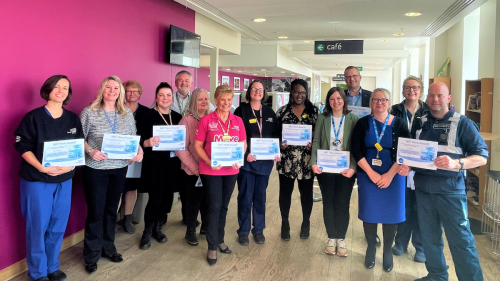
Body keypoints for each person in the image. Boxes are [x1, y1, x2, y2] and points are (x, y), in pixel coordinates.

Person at [401, 82, 488, 281]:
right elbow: (413, 153)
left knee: (461, 241)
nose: (435, 99)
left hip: (450, 192)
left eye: (440, 95)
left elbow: (482, 157)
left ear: (448, 98)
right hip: (423, 190)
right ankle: (437, 275)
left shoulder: (463, 122)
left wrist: (457, 163)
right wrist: (408, 165)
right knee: (429, 239)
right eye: (431, 95)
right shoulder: (420, 121)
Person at [14, 75, 83, 281]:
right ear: (48, 89)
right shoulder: (33, 117)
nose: (61, 91)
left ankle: (52, 266)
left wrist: (70, 165)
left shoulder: (72, 119)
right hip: (37, 180)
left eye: (65, 87)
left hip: (64, 179)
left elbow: (78, 148)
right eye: (57, 87)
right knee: (37, 226)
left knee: (57, 226)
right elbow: (22, 146)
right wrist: (42, 168)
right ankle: (37, 272)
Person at [80, 76, 143, 274]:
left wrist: (139, 151)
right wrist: (90, 150)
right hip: (95, 168)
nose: (112, 90)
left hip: (119, 168)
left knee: (111, 209)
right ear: (102, 89)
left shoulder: (125, 114)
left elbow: (133, 138)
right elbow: (78, 138)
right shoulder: (89, 112)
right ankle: (91, 254)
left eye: (116, 87)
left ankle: (109, 248)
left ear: (120, 92)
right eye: (108, 87)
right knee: (96, 211)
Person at [351, 88, 409, 272]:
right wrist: (371, 174)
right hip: (368, 175)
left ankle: (387, 251)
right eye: (376, 100)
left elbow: (405, 151)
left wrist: (389, 175)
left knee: (391, 214)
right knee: (370, 212)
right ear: (371, 102)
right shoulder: (362, 123)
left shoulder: (399, 123)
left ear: (389, 102)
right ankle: (370, 247)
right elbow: (356, 150)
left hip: (394, 175)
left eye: (383, 100)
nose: (379, 103)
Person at [194, 85, 247, 266]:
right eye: (222, 99)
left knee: (224, 206)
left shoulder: (238, 121)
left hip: (231, 170)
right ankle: (211, 245)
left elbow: (243, 143)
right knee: (214, 206)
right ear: (216, 100)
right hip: (211, 170)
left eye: (229, 100)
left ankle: (220, 239)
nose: (226, 103)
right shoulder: (206, 121)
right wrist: (209, 162)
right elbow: (198, 146)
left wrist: (238, 157)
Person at [311, 87, 359, 257]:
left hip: (345, 169)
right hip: (326, 169)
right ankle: (331, 237)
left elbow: (356, 146)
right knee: (328, 202)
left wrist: (353, 167)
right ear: (328, 101)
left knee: (343, 203)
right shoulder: (322, 119)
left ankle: (341, 239)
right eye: (332, 99)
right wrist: (313, 162)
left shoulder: (353, 119)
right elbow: (316, 141)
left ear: (344, 100)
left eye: (339, 98)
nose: (336, 102)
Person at [136, 82, 183, 250]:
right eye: (161, 95)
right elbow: (136, 140)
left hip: (172, 166)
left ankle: (158, 228)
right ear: (156, 97)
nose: (165, 98)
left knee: (167, 200)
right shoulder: (147, 116)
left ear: (172, 98)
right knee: (155, 199)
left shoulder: (177, 117)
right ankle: (147, 232)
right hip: (154, 166)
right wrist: (146, 142)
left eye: (168, 95)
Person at [234, 80, 281, 246]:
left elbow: (276, 135)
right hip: (247, 162)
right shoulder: (241, 111)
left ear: (264, 93)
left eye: (260, 90)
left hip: (264, 164)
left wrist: (277, 152)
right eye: (254, 89)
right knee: (245, 197)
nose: (257, 92)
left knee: (260, 197)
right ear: (249, 91)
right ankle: (244, 231)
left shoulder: (269, 112)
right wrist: (245, 153)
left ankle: (259, 230)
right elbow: (236, 135)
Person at [390, 76, 429, 263]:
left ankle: (420, 246)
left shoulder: (429, 110)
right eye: (407, 87)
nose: (411, 90)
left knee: (421, 206)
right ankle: (400, 243)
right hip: (401, 165)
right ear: (403, 90)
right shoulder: (395, 110)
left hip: (422, 167)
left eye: (415, 87)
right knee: (403, 204)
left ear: (421, 90)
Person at [276, 78, 319, 241]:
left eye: (302, 92)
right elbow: (275, 135)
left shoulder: (314, 112)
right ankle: (285, 223)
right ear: (291, 92)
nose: (299, 95)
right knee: (285, 194)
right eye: (296, 92)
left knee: (306, 194)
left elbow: (319, 136)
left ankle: (305, 223)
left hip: (307, 162)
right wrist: (281, 145)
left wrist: (313, 146)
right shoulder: (282, 111)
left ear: (306, 93)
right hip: (286, 161)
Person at [176, 88, 211, 246]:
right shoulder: (186, 121)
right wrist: (195, 168)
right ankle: (190, 230)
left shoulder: (212, 119)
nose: (204, 102)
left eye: (206, 99)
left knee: (207, 200)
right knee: (193, 201)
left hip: (209, 168)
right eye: (200, 99)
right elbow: (180, 148)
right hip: (192, 170)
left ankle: (205, 227)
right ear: (193, 102)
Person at [120, 80, 149, 234]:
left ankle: (127, 218)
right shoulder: (117, 109)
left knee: (132, 187)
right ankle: (112, 219)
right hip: (118, 156)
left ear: (140, 93)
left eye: (135, 91)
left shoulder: (146, 112)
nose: (132, 94)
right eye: (128, 91)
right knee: (118, 187)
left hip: (138, 156)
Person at [171, 70, 193, 225]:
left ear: (191, 83)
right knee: (170, 183)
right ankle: (162, 219)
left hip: (191, 150)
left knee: (188, 186)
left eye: (186, 80)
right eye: (180, 80)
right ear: (175, 82)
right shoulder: (167, 98)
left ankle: (187, 216)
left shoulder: (199, 99)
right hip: (171, 150)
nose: (183, 83)